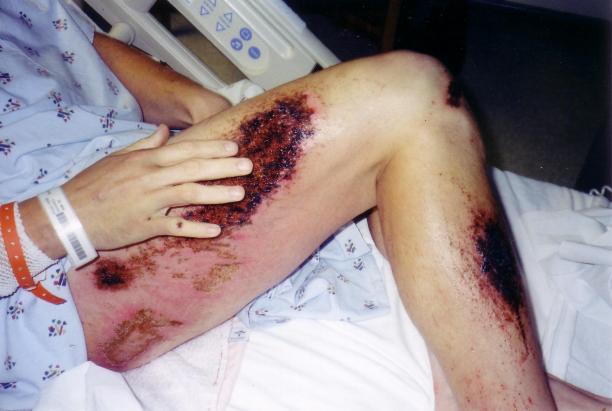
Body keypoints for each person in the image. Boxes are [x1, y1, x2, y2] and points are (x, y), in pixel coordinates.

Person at [2, 1, 605, 410]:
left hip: (124, 161)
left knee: (388, 177)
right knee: (409, 96)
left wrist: (198, 106)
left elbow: (75, 41)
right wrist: (61, 219)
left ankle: (490, 384)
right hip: (50, 272)